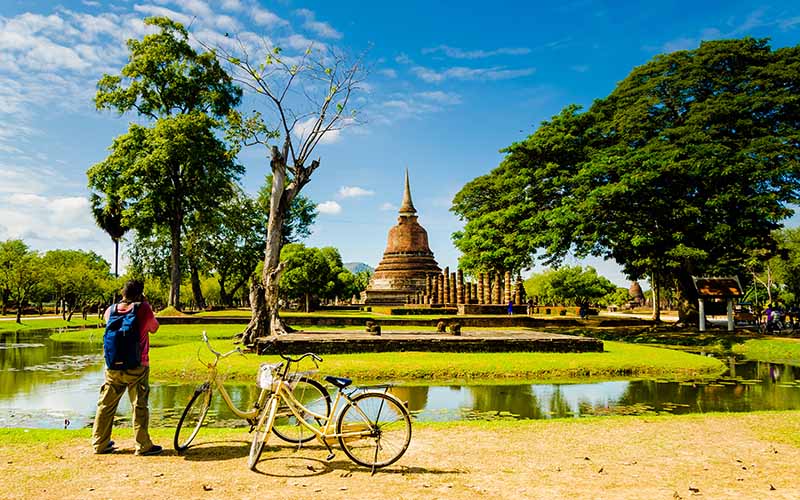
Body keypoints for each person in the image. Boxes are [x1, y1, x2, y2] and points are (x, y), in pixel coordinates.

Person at [92, 279, 162, 456]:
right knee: (139, 405)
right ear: (140, 294)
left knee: (106, 405)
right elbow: (154, 328)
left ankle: (100, 443)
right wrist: (145, 304)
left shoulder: (110, 310)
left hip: (113, 365)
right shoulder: (143, 309)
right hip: (138, 365)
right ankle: (143, 445)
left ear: (122, 293)